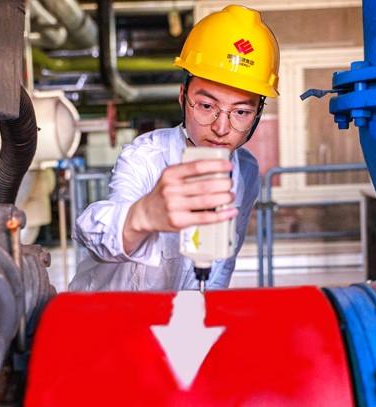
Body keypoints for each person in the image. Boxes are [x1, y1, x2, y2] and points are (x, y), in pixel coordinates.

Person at [70, 4, 279, 291]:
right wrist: (142, 216)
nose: (221, 128)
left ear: (257, 114)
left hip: (178, 321)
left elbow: (223, 263)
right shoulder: (145, 157)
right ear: (183, 97)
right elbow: (93, 234)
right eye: (206, 106)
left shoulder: (247, 170)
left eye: (241, 112)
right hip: (109, 320)